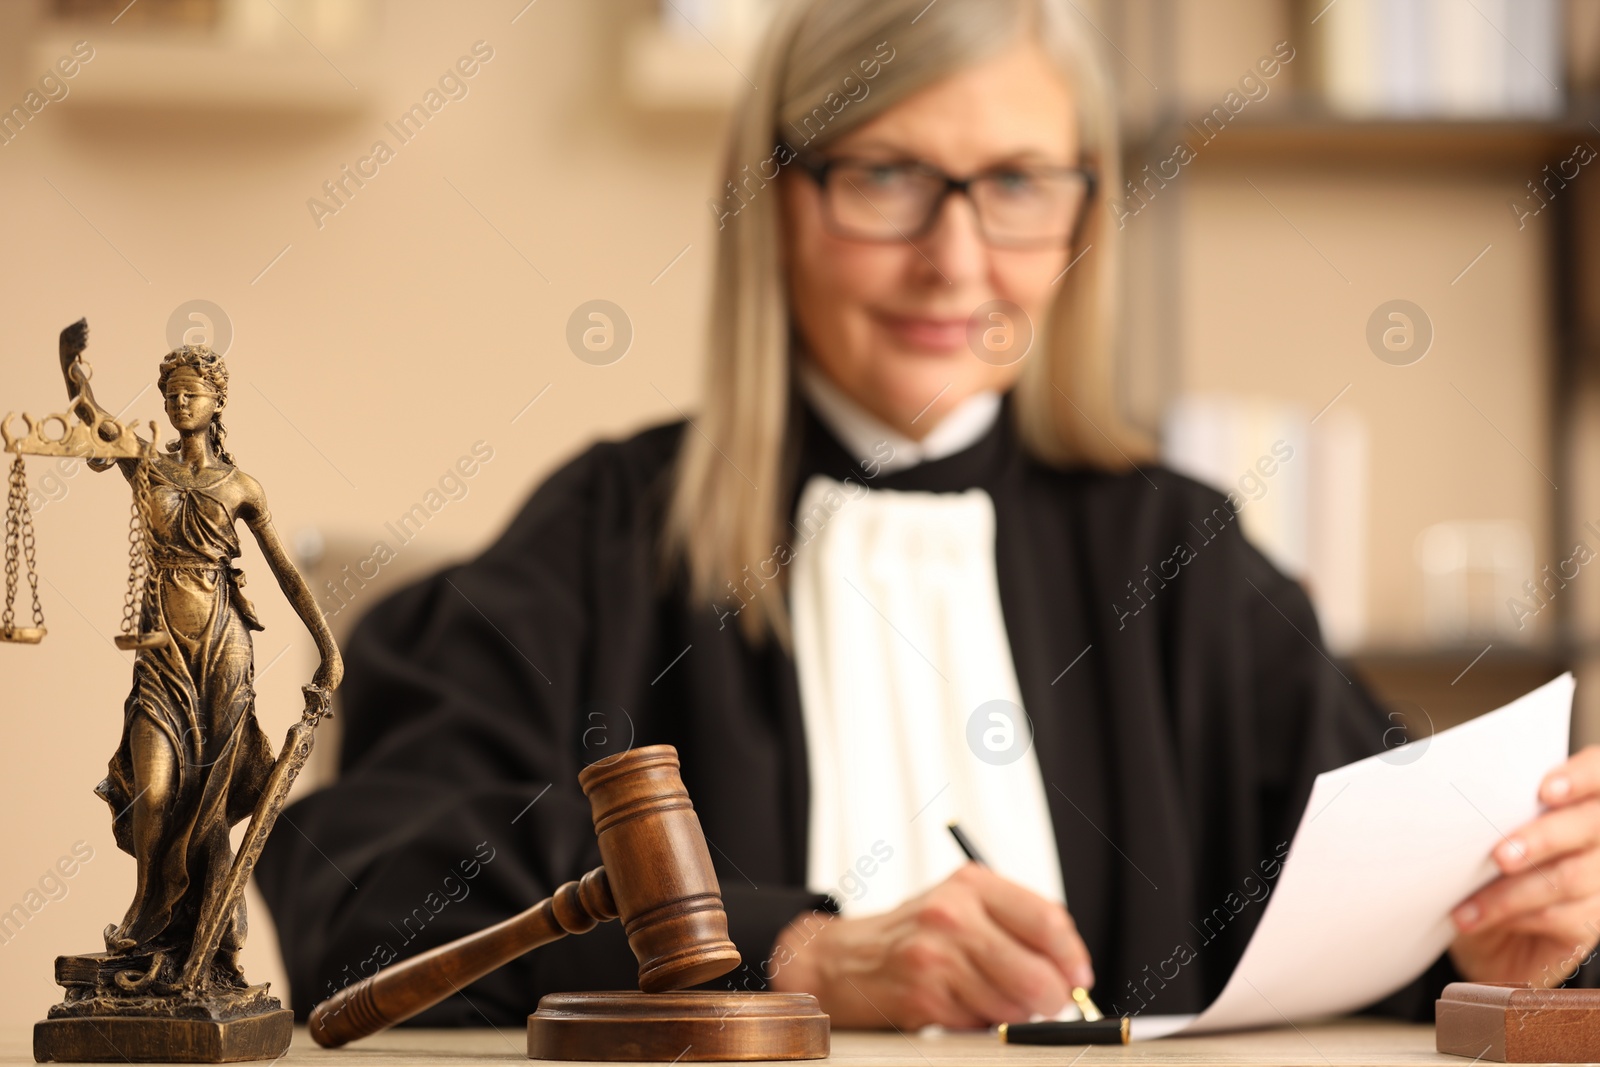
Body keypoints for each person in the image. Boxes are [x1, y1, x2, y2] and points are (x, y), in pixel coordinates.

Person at [257, 0, 1600, 1030]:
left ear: (1084, 215)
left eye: (1019, 182)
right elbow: (362, 891)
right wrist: (794, 952)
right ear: (775, 200)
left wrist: (1498, 940)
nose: (957, 258)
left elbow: (1371, 905)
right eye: (888, 175)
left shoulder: (1179, 560)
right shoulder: (610, 531)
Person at [62, 334, 343, 989]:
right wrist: (75, 383)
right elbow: (96, 421)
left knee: (209, 807)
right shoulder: (147, 466)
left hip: (223, 652)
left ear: (218, 400)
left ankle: (205, 947)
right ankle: (147, 915)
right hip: (159, 654)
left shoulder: (241, 486)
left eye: (194, 389)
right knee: (155, 789)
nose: (181, 398)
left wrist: (329, 648)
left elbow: (285, 572)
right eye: (172, 391)